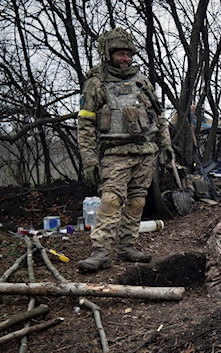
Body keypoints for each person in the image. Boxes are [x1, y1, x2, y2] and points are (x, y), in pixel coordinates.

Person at [77, 28, 174, 273]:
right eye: (121, 54)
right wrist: (89, 160)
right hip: (114, 152)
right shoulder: (95, 84)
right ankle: (100, 251)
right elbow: (86, 123)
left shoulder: (141, 81)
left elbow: (158, 116)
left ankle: (126, 246)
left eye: (129, 54)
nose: (126, 59)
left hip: (144, 150)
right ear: (108, 54)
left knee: (137, 201)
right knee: (110, 200)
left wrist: (166, 145)